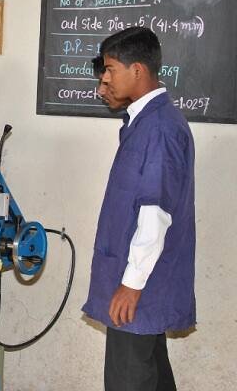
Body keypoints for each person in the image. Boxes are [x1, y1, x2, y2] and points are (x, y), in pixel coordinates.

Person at [82, 27, 196, 391]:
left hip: (140, 288)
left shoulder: (159, 128)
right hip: (142, 286)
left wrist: (131, 285)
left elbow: (155, 213)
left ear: (137, 70)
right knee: (153, 378)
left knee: (128, 381)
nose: (104, 79)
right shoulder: (146, 122)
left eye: (110, 69)